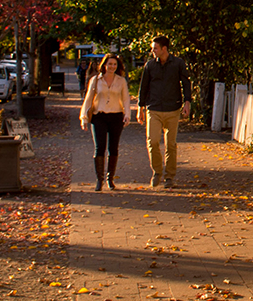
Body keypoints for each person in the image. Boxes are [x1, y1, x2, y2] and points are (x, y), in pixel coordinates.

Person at [138, 35, 191, 188]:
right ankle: (156, 172)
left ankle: (169, 176)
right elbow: (144, 87)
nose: (152, 50)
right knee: (153, 141)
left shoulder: (178, 64)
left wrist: (187, 103)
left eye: (155, 48)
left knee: (171, 144)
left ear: (164, 49)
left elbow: (186, 83)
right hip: (153, 108)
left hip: (172, 109)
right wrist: (140, 107)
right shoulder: (150, 66)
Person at [79, 53, 130, 191]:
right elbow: (88, 99)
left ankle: (110, 179)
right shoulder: (96, 80)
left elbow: (126, 99)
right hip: (99, 116)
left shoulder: (121, 81)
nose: (112, 67)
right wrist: (84, 117)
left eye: (114, 64)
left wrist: (127, 115)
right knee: (99, 147)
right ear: (104, 65)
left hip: (116, 116)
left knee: (113, 148)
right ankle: (99, 180)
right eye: (110, 64)